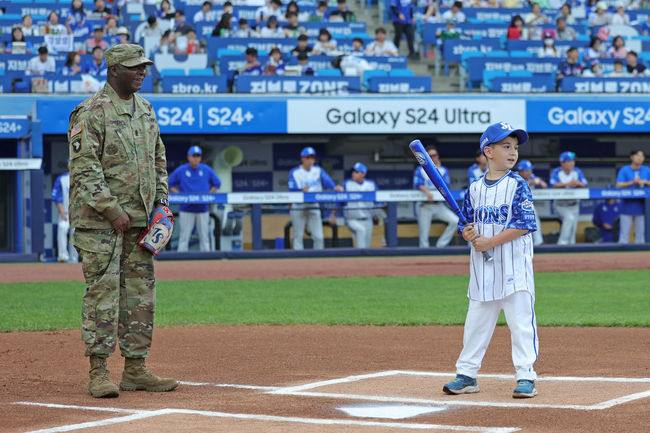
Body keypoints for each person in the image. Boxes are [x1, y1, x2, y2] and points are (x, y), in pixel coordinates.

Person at [68, 43, 177, 398]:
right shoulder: (90, 112)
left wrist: (161, 202)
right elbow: (85, 170)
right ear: (112, 69)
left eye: (144, 66)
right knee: (102, 295)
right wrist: (112, 210)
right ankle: (98, 371)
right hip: (102, 225)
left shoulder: (146, 109)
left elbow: (158, 158)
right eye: (133, 67)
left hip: (142, 221)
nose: (141, 71)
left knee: (140, 296)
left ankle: (135, 369)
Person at [443, 121, 538, 399]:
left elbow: (524, 224)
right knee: (475, 325)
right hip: (482, 271)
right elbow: (466, 224)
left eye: (515, 147)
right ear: (488, 151)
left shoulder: (518, 185)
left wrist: (489, 241)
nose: (513, 152)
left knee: (521, 324)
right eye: (506, 146)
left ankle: (526, 376)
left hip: (513, 268)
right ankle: (467, 374)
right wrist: (468, 233)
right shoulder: (473, 188)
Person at [288, 147, 343, 250]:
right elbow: (291, 188)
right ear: (302, 159)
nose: (310, 160)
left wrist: (334, 187)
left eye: (312, 157)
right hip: (299, 206)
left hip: (313, 205)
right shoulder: (294, 172)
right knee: (298, 236)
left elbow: (327, 180)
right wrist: (299, 190)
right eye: (307, 157)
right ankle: (298, 261)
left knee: (318, 236)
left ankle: (318, 259)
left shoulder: (318, 170)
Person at [169, 146, 221, 252]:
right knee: (184, 237)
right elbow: (170, 184)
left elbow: (217, 183)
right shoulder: (181, 170)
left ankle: (206, 261)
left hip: (203, 209)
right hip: (186, 208)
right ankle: (181, 262)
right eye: (193, 156)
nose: (195, 159)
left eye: (198, 156)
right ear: (188, 157)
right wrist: (179, 195)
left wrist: (208, 195)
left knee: (204, 237)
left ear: (200, 158)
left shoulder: (206, 169)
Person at [413, 146, 459, 248]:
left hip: (438, 204)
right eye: (430, 156)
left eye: (435, 155)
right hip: (424, 205)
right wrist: (427, 191)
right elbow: (417, 184)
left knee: (455, 221)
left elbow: (446, 185)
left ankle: (441, 245)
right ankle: (424, 258)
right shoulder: (420, 169)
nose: (433, 157)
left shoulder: (443, 170)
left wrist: (437, 170)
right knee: (424, 235)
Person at [550, 151, 588, 245]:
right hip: (560, 204)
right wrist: (567, 184)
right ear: (562, 163)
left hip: (574, 204)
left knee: (573, 230)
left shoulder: (577, 171)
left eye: (573, 161)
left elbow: (584, 184)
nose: (572, 163)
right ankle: (561, 244)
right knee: (569, 219)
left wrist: (577, 183)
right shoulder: (556, 171)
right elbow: (553, 185)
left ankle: (570, 252)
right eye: (569, 161)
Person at [336, 162, 378, 249]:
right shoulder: (347, 184)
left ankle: (363, 261)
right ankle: (360, 258)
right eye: (353, 172)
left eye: (356, 172)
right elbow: (339, 201)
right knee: (361, 231)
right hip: (352, 219)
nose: (353, 174)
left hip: (368, 219)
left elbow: (379, 201)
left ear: (363, 174)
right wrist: (333, 215)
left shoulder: (371, 184)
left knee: (367, 246)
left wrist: (379, 215)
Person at [615, 149, 650, 244]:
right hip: (627, 205)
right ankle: (621, 258)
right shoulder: (624, 170)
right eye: (638, 156)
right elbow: (618, 185)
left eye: (642, 156)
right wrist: (632, 182)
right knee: (624, 236)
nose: (640, 158)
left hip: (642, 206)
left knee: (640, 237)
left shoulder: (647, 170)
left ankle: (640, 258)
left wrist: (645, 182)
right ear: (631, 157)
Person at [52, 166, 79, 263]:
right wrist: (62, 213)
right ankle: (63, 256)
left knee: (76, 234)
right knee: (62, 228)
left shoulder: (80, 178)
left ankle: (74, 259)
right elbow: (57, 198)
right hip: (65, 213)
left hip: (77, 213)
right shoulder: (62, 179)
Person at [517, 159, 547, 246]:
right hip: (515, 206)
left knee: (534, 219)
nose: (530, 172)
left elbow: (544, 185)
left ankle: (538, 242)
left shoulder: (531, 176)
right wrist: (530, 183)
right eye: (527, 170)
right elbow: (518, 189)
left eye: (530, 169)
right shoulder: (515, 176)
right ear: (521, 171)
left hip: (527, 205)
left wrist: (539, 182)